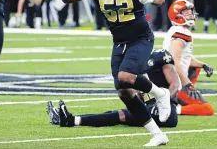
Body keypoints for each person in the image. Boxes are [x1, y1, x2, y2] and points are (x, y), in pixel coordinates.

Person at [49, 0, 170, 147]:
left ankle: (160, 93)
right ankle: (157, 133)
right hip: (119, 41)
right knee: (123, 90)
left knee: (126, 76)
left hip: (141, 38)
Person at [47, 49, 180, 128]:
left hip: (166, 112)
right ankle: (64, 118)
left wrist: (165, 100)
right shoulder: (136, 61)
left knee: (120, 116)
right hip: (149, 105)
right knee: (113, 113)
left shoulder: (159, 56)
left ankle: (71, 121)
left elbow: (175, 84)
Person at [163, 0, 214, 116]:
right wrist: (187, 84)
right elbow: (175, 61)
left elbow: (185, 58)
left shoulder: (178, 30)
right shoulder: (181, 33)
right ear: (177, 15)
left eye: (191, 11)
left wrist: (203, 65)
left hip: (173, 79)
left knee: (196, 68)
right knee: (207, 109)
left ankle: (178, 99)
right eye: (186, 12)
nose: (191, 14)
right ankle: (174, 110)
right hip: (176, 82)